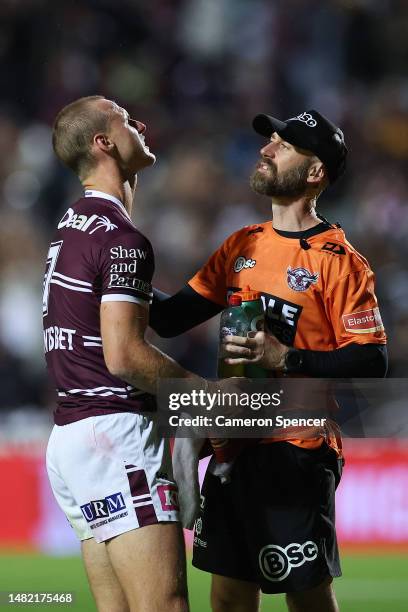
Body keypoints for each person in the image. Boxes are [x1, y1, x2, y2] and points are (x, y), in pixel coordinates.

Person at [150, 109, 388, 612]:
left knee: (306, 598)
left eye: (283, 145)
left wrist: (289, 356)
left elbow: (371, 362)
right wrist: (112, 271)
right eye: (270, 141)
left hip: (296, 450)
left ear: (316, 171)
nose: (266, 149)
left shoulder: (339, 261)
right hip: (234, 448)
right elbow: (170, 319)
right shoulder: (242, 244)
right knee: (229, 599)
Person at [44, 95, 208, 612]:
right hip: (115, 437)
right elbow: (123, 355)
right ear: (105, 142)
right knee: (164, 606)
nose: (140, 122)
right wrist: (203, 396)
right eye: (123, 117)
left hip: (71, 440)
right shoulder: (121, 238)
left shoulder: (70, 227)